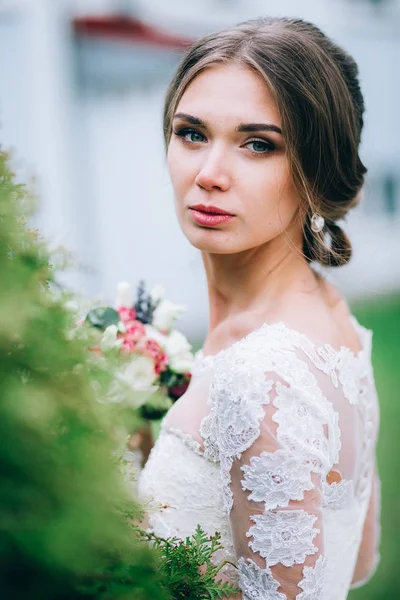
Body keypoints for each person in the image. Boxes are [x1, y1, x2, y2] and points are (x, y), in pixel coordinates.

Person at [138, 17, 381, 599]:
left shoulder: (264, 375)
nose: (208, 175)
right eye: (192, 133)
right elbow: (359, 557)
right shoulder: (329, 316)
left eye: (258, 144)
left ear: (316, 170)